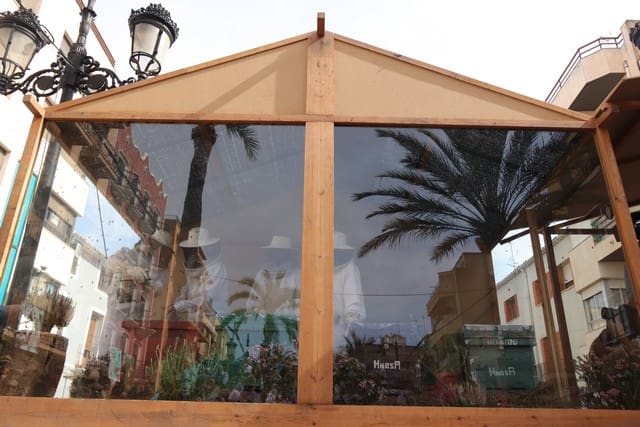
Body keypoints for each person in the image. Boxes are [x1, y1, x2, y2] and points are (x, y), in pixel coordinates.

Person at [171, 227, 229, 321]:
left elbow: (205, 299)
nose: (194, 254)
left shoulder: (216, 268)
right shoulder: (195, 269)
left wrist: (181, 305)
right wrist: (176, 304)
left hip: (215, 320)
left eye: (198, 249)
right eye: (192, 250)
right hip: (196, 320)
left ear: (205, 249)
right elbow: (187, 290)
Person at [245, 235, 300, 316]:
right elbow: (251, 302)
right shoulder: (262, 272)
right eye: (274, 251)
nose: (276, 254)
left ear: (287, 253)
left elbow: (299, 305)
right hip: (261, 322)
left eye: (280, 252)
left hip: (286, 321)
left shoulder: (296, 274)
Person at [333, 231, 366, 350]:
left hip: (338, 331)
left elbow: (354, 303)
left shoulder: (349, 269)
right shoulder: (319, 270)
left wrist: (346, 333)